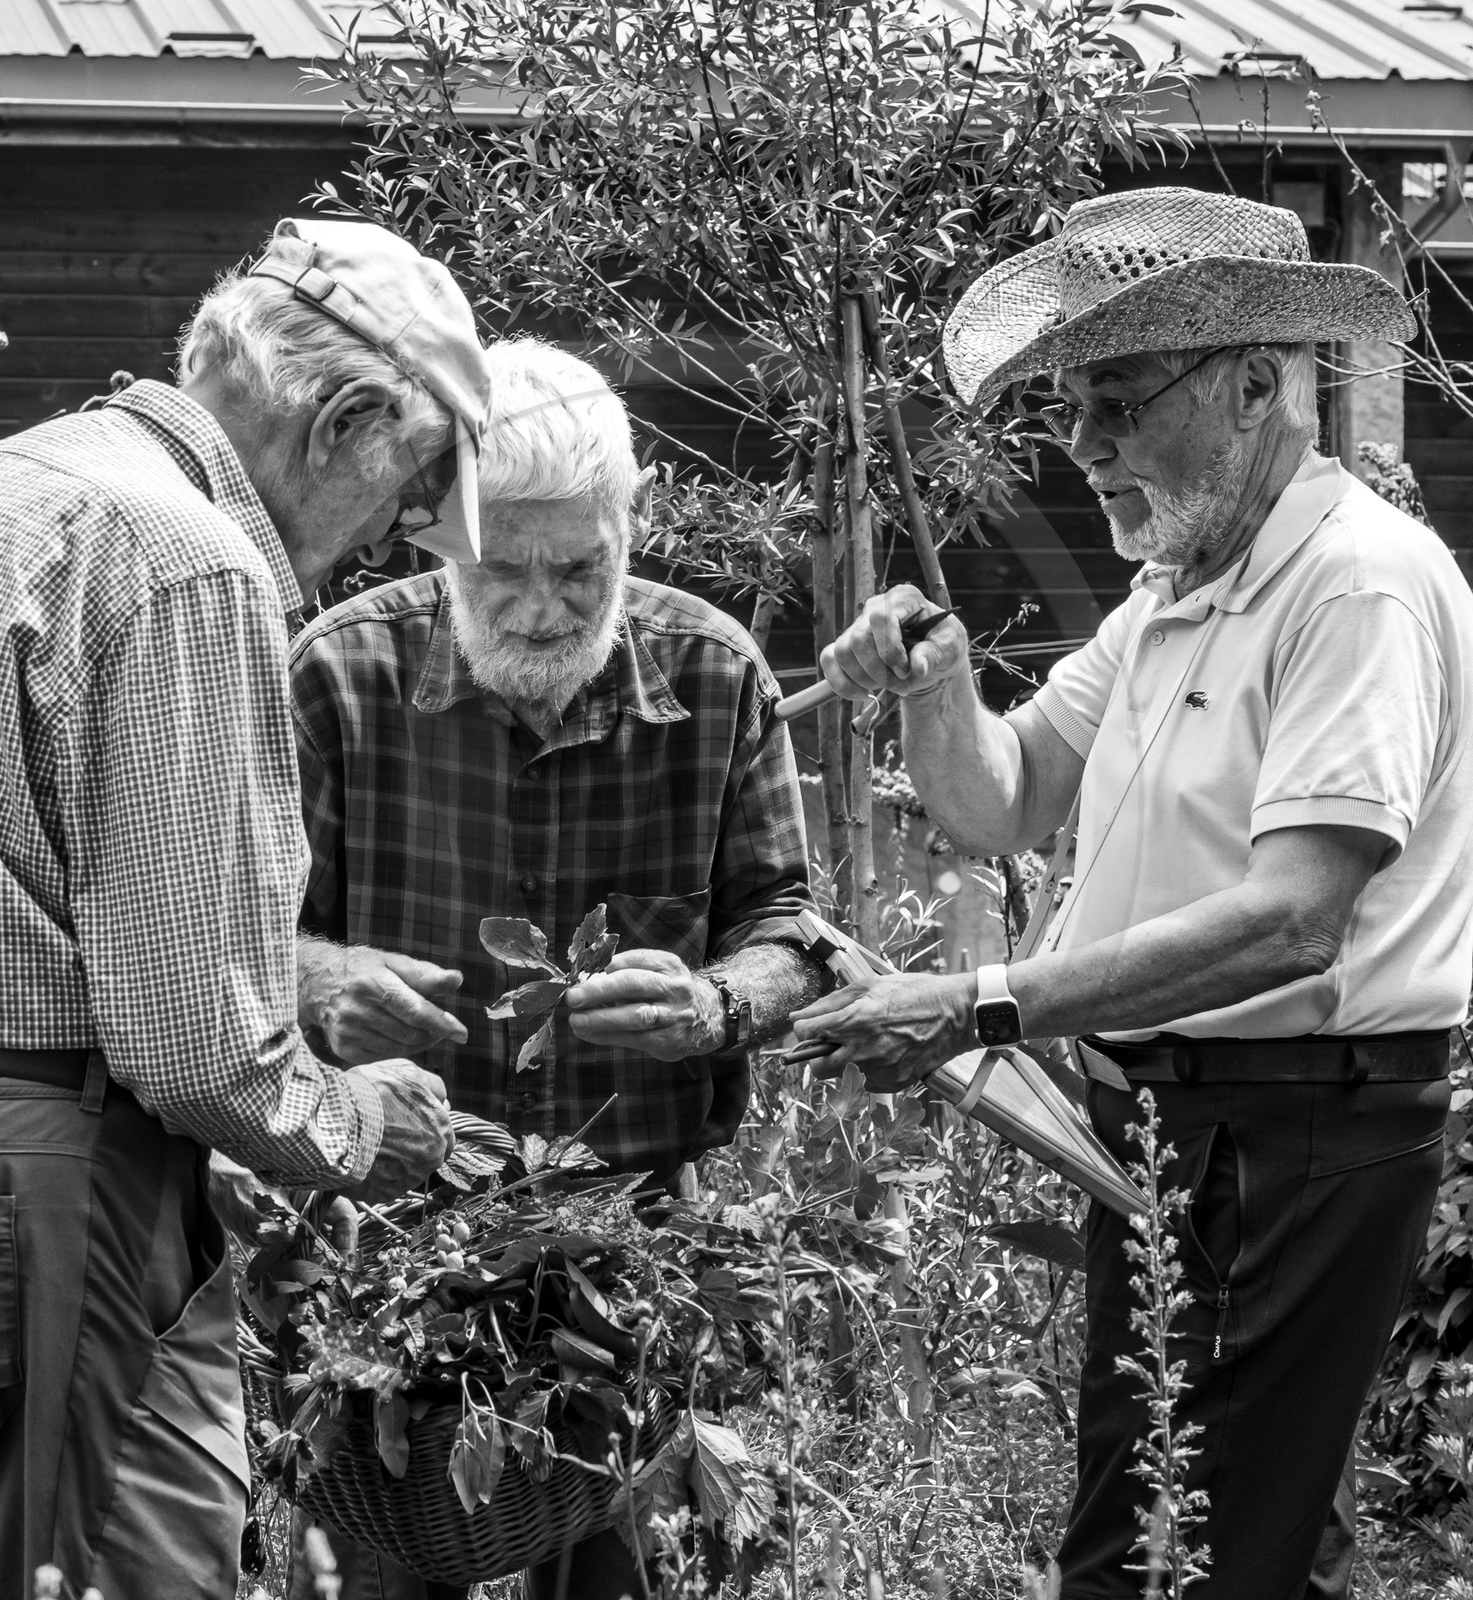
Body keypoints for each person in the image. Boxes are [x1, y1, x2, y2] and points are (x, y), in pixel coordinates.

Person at [796, 187, 1473, 1600]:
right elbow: (1006, 796)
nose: (1085, 445)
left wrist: (978, 1002)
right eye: (1069, 408)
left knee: (1158, 1555)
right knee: (1239, 1532)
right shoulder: (1174, 590)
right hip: (1186, 1128)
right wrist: (936, 680)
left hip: (1293, 1133)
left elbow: (1297, 917)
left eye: (1118, 399)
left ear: (1253, 386)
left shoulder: (1352, 586)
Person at [0, 217, 487, 1600]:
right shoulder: (187, 558)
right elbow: (195, 1046)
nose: (391, 538)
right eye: (412, 491)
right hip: (52, 1186)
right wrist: (360, 1123)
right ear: (344, 421)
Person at [284, 337, 830, 1600]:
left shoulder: (713, 675)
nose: (538, 608)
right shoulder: (339, 675)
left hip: (626, 1242)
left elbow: (789, 927)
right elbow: (238, 935)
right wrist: (320, 981)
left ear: (628, 527)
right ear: (440, 539)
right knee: (380, 1578)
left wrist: (714, 1004)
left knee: (617, 1575)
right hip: (388, 1236)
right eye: (501, 569)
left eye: (579, 568)